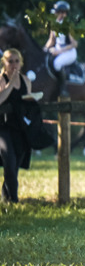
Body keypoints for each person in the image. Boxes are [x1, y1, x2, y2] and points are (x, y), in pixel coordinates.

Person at [0, 49, 33, 202]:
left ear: (21, 63)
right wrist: (11, 84)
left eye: (17, 61)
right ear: (4, 63)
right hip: (3, 127)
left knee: (15, 166)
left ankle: (6, 195)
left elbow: (28, 102)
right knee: (9, 160)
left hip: (20, 127)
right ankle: (14, 200)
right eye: (10, 61)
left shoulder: (26, 80)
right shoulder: (1, 79)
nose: (14, 64)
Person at [42, 0, 78, 96]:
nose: (55, 15)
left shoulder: (68, 26)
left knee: (57, 64)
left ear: (63, 13)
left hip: (69, 52)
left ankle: (63, 89)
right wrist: (44, 49)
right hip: (57, 51)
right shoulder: (54, 24)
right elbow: (51, 40)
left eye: (57, 13)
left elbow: (74, 44)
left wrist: (59, 51)